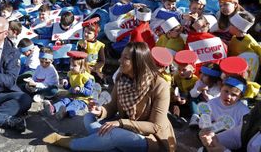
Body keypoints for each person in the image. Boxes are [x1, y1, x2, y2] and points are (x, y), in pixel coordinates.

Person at [43, 42, 176, 151]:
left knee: (113, 134)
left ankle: (71, 143)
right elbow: (112, 106)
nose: (120, 60)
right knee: (89, 117)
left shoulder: (160, 86)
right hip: (125, 129)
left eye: (125, 58)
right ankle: (108, 144)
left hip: (149, 138)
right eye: (121, 56)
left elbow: (155, 126)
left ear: (137, 62)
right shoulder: (122, 78)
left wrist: (120, 123)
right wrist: (100, 111)